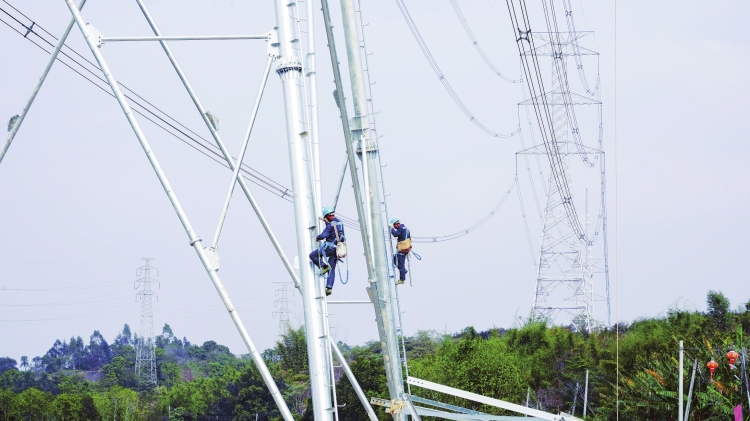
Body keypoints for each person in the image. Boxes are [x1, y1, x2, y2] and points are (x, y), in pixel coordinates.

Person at [309, 207, 345, 296]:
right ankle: (329, 287)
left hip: (330, 248)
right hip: (338, 249)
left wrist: (318, 237)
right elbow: (336, 233)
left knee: (313, 255)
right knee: (332, 269)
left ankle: (324, 266)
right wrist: (326, 223)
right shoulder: (340, 222)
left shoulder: (330, 225)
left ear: (328, 215)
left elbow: (325, 235)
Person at [389, 218, 411, 285]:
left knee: (401, 265)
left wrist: (392, 229)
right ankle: (403, 270)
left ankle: (402, 279)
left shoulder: (401, 228)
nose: (395, 227)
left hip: (402, 250)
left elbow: (396, 234)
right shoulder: (406, 228)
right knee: (395, 259)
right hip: (405, 249)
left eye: (394, 226)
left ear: (396, 224)